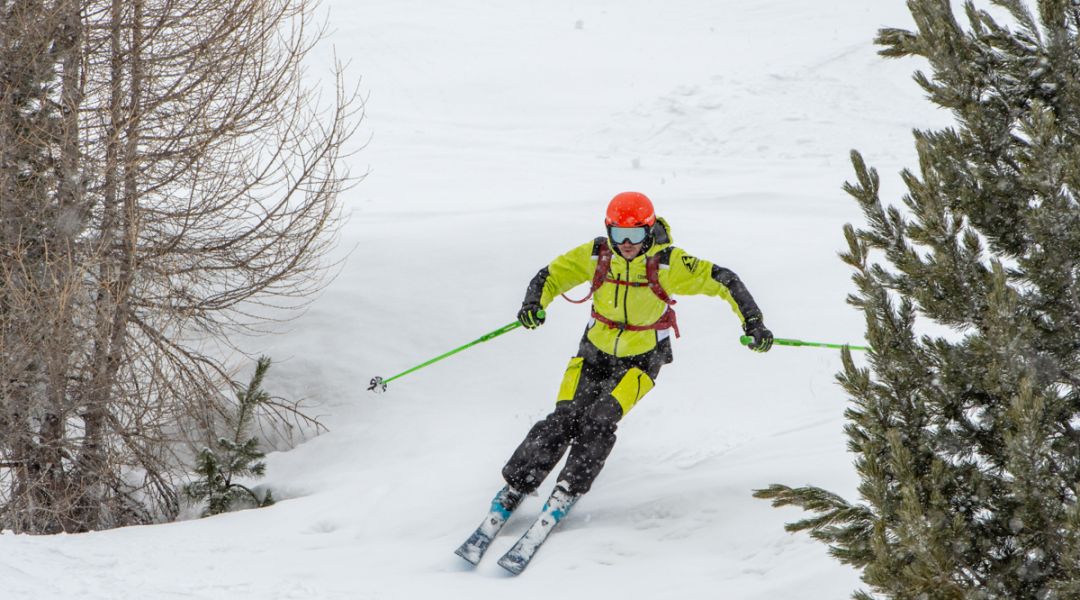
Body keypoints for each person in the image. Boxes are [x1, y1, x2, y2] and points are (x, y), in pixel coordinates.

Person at [486, 191, 773, 531]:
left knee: (598, 421)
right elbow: (550, 275)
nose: (626, 243)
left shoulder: (668, 263)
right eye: (618, 234)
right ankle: (516, 485)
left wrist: (753, 323)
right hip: (593, 353)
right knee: (564, 418)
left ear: (649, 231)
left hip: (639, 362)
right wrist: (534, 304)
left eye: (635, 235)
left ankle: (567, 490)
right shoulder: (597, 254)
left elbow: (725, 280)